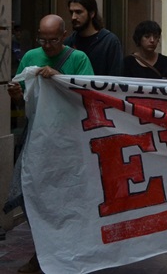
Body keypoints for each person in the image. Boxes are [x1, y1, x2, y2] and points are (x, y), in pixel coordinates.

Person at [6, 14, 94, 274]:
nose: (46, 45)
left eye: (52, 40)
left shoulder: (78, 60)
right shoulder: (31, 57)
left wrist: (60, 79)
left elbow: (88, 98)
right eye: (42, 40)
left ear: (64, 36)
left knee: (66, 198)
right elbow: (25, 101)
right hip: (37, 138)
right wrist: (16, 96)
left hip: (68, 142)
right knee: (33, 195)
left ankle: (66, 253)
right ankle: (42, 253)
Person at [64, 0, 123, 76]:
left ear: (92, 13)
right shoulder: (69, 42)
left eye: (78, 12)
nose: (74, 17)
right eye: (71, 12)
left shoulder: (109, 42)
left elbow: (116, 76)